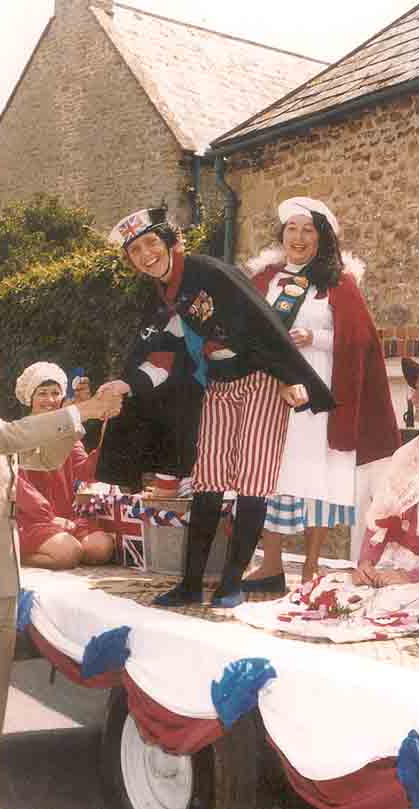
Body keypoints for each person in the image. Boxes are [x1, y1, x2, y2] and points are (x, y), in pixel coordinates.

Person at [98, 206, 335, 609]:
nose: (146, 254)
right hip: (219, 383)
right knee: (208, 480)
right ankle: (191, 583)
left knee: (253, 479)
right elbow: (160, 354)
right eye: (135, 250)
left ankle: (231, 583)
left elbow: (263, 326)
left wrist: (286, 376)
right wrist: (125, 382)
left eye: (152, 243)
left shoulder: (211, 273)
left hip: (261, 379)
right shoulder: (160, 295)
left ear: (173, 243)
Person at [0, 334, 121, 809]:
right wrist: (80, 411)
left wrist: (75, 421)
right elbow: (10, 439)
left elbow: (43, 457)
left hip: (0, 579)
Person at [243, 197, 399, 588]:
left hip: (321, 398)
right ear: (282, 234)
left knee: (318, 477)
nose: (298, 237)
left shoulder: (338, 283)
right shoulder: (266, 280)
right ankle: (272, 564)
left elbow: (360, 338)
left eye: (307, 230)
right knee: (271, 472)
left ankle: (311, 567)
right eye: (292, 228)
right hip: (272, 395)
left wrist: (315, 337)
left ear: (321, 237)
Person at [15, 361, 114, 569]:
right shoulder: (20, 434)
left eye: (55, 393)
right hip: (29, 520)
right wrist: (51, 519)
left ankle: (61, 550)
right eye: (42, 393)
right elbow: (17, 488)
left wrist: (108, 432)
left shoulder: (67, 434)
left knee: (102, 547)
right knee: (68, 555)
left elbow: (88, 473)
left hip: (65, 518)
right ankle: (14, 557)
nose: (50, 400)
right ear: (30, 398)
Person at [353, 357, 419, 587]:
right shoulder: (405, 455)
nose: (413, 398)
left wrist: (413, 577)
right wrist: (366, 563)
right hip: (399, 563)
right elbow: (380, 515)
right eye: (416, 390)